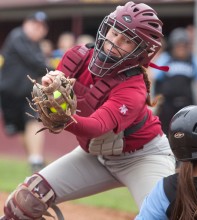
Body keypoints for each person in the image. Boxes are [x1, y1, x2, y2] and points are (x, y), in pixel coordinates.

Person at [0, 2, 175, 219]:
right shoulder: (76, 57)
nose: (113, 42)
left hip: (142, 156)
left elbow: (97, 127)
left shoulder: (134, 87)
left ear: (140, 51)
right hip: (95, 154)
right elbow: (59, 97)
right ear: (106, 27)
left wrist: (63, 118)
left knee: (160, 215)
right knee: (25, 200)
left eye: (127, 40)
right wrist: (50, 89)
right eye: (114, 32)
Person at [0, 11, 50, 173]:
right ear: (25, 24)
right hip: (10, 92)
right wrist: (61, 70)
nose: (38, 29)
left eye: (42, 26)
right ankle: (34, 160)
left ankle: (36, 160)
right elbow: (35, 63)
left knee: (33, 120)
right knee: (20, 128)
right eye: (35, 24)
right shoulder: (18, 36)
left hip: (28, 92)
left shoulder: (35, 44)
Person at [151, 27, 197, 135]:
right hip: (167, 106)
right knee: (165, 135)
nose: (181, 48)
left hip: (187, 106)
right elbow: (151, 78)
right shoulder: (166, 59)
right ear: (173, 46)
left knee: (186, 135)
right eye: (178, 45)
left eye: (184, 45)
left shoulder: (194, 60)